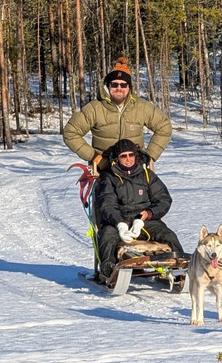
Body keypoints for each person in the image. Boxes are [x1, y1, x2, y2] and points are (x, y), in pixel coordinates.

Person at [92, 138, 184, 283]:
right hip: (118, 222)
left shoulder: (147, 175)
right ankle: (108, 269)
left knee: (169, 235)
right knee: (107, 237)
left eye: (131, 155)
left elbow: (164, 199)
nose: (128, 159)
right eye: (123, 156)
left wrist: (148, 214)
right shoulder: (109, 178)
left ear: (136, 156)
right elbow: (106, 204)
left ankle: (179, 266)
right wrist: (120, 223)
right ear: (116, 159)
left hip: (144, 221)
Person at [63, 57, 173, 172]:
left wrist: (148, 156)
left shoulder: (142, 107)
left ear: (129, 87)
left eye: (123, 85)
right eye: (114, 84)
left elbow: (164, 127)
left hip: (135, 170)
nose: (119, 88)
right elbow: (70, 133)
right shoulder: (94, 108)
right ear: (108, 86)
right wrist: (96, 158)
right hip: (104, 170)